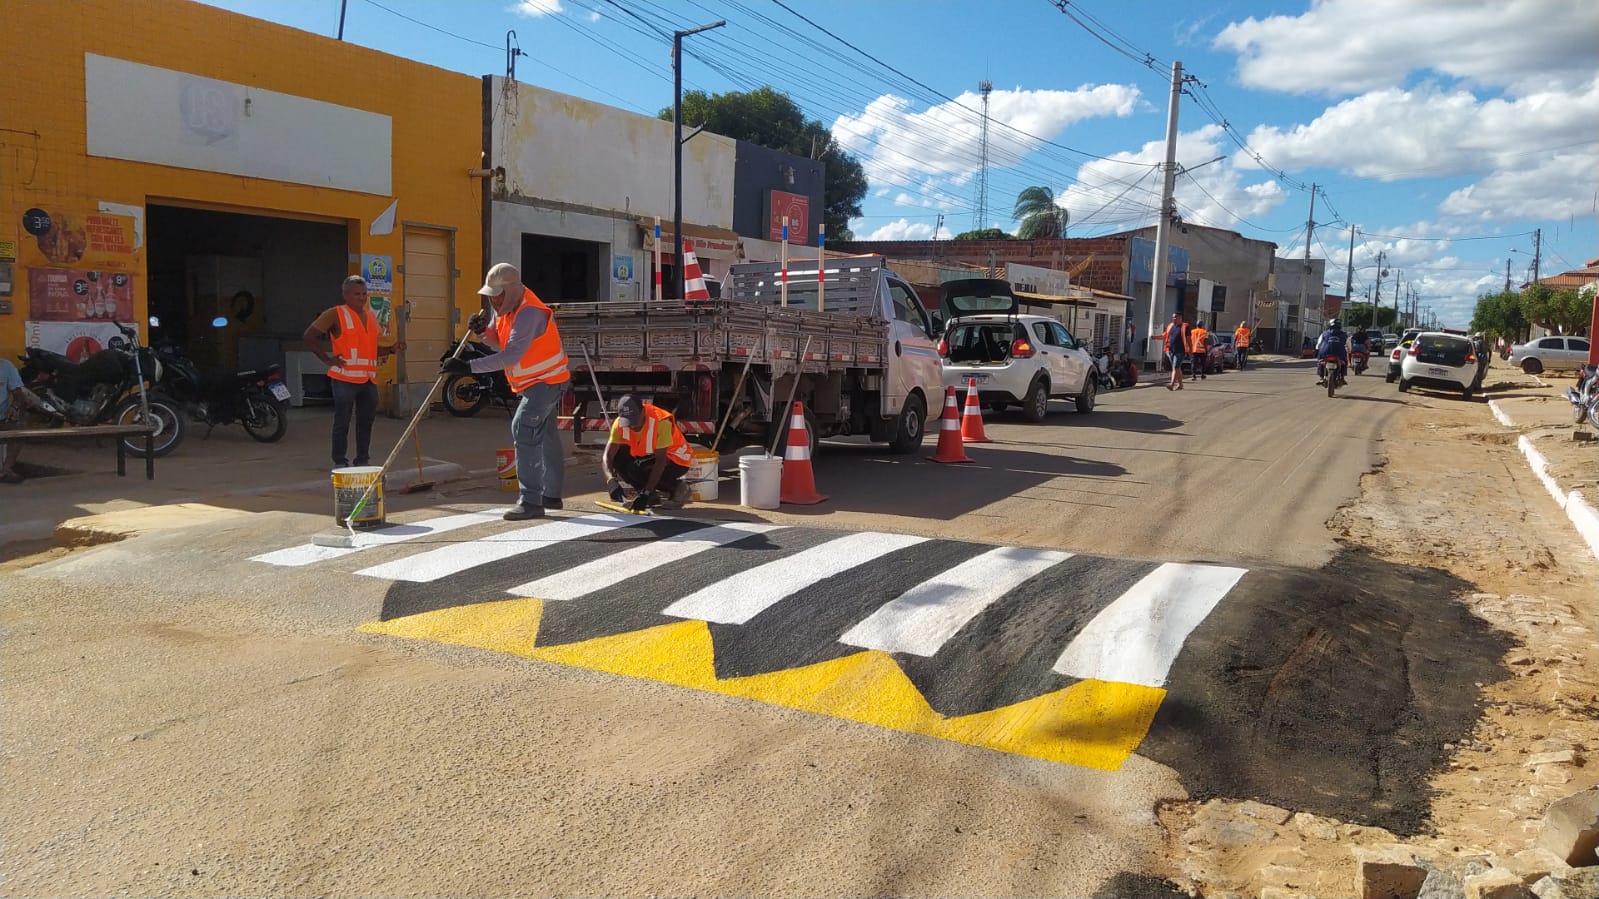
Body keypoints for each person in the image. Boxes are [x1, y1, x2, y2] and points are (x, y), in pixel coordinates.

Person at [445, 262, 568, 521]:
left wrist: (468, 367)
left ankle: (531, 500)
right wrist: (482, 332)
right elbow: (499, 342)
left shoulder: (529, 313)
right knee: (545, 435)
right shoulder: (506, 309)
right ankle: (551, 495)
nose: (493, 301)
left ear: (510, 291)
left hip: (544, 381)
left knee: (523, 429)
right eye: (489, 296)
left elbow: (511, 355)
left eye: (496, 295)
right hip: (539, 381)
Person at [304, 275, 403, 469]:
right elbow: (309, 336)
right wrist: (327, 359)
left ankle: (362, 460)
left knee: (366, 423)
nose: (362, 297)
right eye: (357, 294)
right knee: (342, 422)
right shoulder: (335, 314)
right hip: (344, 378)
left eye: (364, 294)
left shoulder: (370, 317)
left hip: (367, 379)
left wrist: (391, 349)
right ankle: (340, 461)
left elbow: (371, 348)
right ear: (346, 295)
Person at [602, 394, 696, 512]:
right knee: (620, 459)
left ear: (643, 411)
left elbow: (660, 462)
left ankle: (678, 488)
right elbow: (608, 455)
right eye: (628, 421)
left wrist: (646, 492)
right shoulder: (619, 424)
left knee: (636, 468)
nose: (632, 425)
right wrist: (611, 481)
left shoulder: (661, 421)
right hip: (649, 456)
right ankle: (650, 497)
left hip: (676, 459)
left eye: (635, 420)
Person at [1315, 318, 1350, 386]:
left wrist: (1317, 349)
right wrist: (1349, 351)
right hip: (1339, 352)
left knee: (1320, 362)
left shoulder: (1324, 333)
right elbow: (1349, 345)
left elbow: (1318, 344)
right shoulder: (1344, 334)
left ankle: (1321, 377)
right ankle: (1342, 377)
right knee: (1344, 362)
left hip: (1325, 351)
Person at [1163, 312, 1189, 391]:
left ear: (1180, 318)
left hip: (1180, 351)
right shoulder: (1171, 326)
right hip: (1171, 350)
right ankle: (1181, 385)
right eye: (1173, 317)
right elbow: (1165, 335)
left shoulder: (1185, 327)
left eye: (1175, 317)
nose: (1174, 318)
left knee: (1175, 367)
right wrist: (1155, 337)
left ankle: (1172, 384)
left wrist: (1190, 350)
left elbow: (1189, 339)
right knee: (1177, 368)